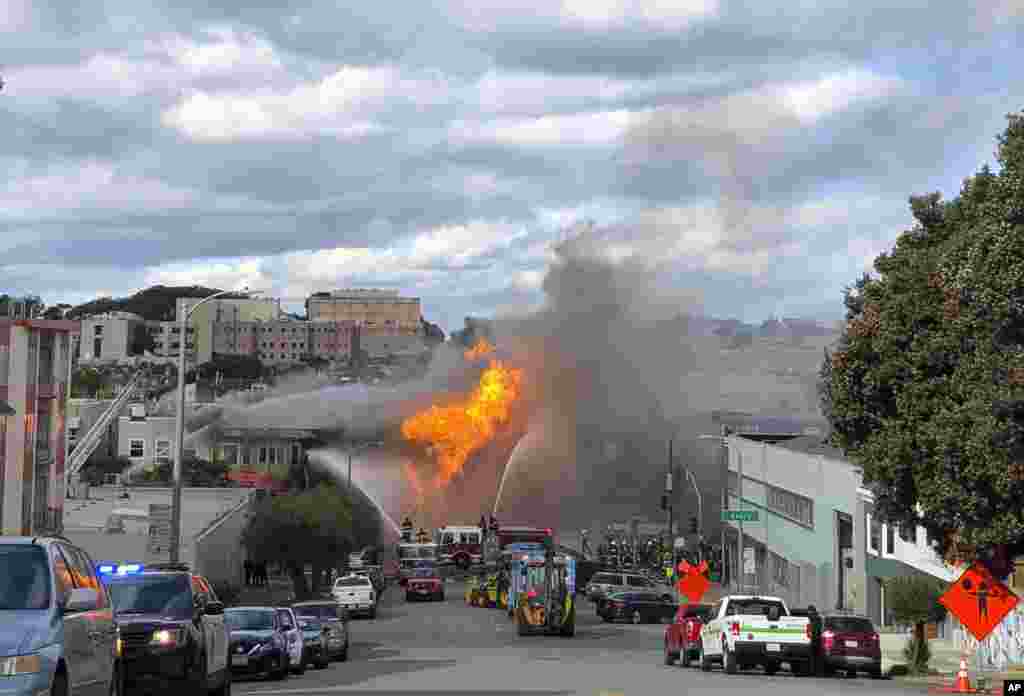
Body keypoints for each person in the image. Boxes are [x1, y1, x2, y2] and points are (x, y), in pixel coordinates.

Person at [807, 604, 824, 676]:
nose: (808, 612)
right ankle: (816, 672)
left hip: (815, 639)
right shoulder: (818, 618)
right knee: (816, 657)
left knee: (814, 657)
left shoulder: (813, 618)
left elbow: (816, 629)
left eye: (809, 611)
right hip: (817, 639)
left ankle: (814, 671)